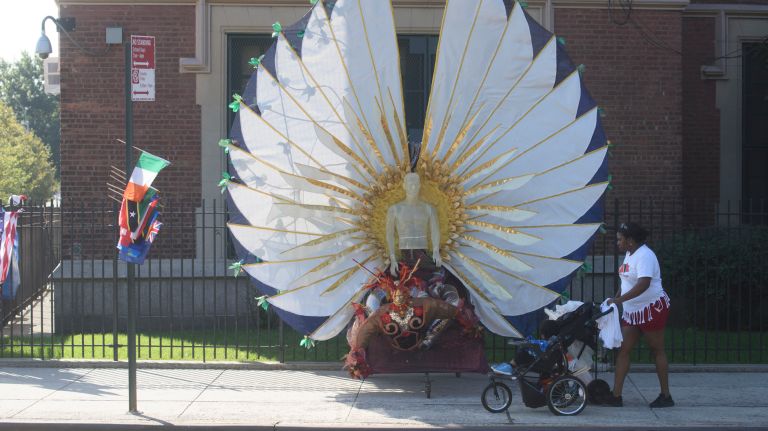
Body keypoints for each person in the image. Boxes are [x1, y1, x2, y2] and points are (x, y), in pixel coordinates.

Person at [603, 222, 673, 408]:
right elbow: (626, 279)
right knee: (624, 350)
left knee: (657, 350)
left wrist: (620, 300)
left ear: (630, 241)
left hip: (651, 309)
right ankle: (616, 396)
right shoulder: (629, 254)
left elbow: (643, 284)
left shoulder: (645, 256)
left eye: (620, 239)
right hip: (632, 312)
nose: (617, 242)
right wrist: (617, 298)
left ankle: (666, 396)